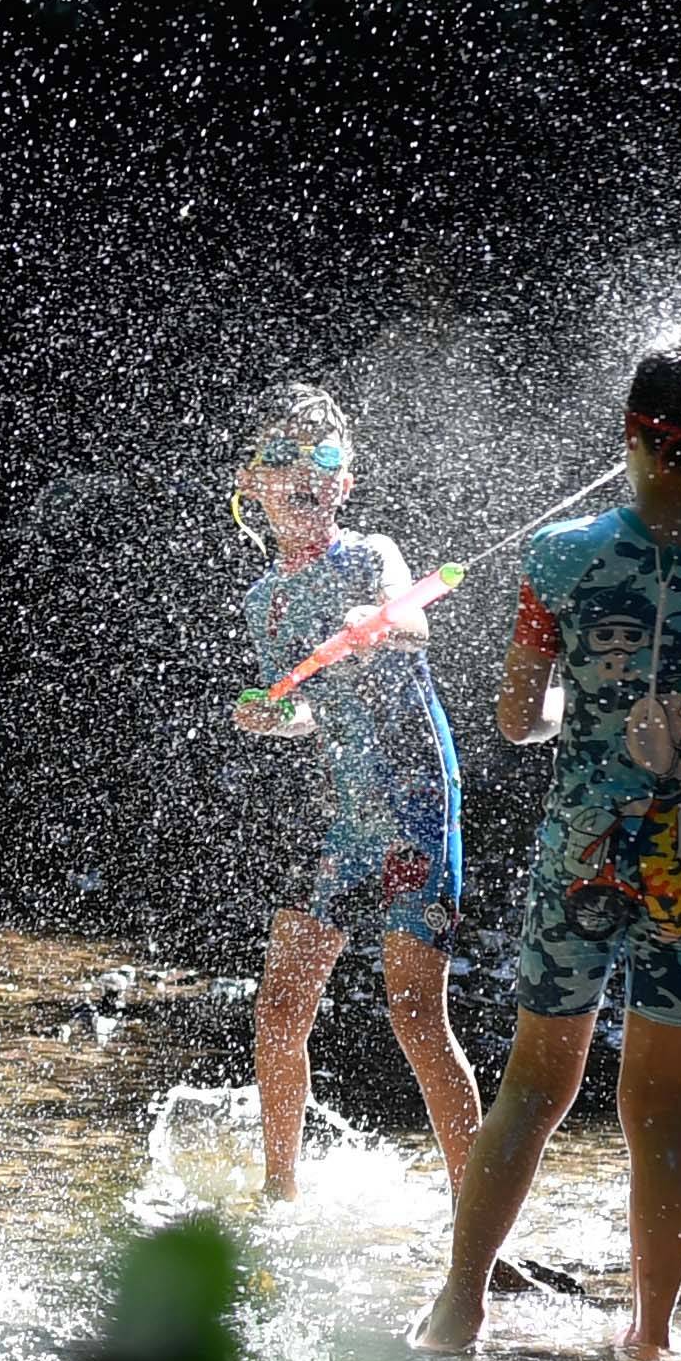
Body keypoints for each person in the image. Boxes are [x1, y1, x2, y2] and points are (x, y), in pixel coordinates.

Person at [419, 335, 681, 1361]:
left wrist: (580, 714)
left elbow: (512, 718)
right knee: (661, 1111)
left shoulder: (558, 556)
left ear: (630, 432)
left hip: (586, 834)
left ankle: (459, 1307)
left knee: (535, 1083)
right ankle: (653, 1334)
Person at [226, 388, 479, 1205]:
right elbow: (308, 710)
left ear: (348, 480)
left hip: (412, 805)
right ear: (251, 484)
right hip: (336, 816)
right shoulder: (262, 604)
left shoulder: (374, 554)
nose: (306, 473)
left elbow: (417, 627)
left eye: (325, 458)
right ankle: (279, 1197)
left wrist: (380, 619)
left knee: (415, 1015)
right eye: (285, 459)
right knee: (280, 1009)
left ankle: (478, 1220)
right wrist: (277, 718)